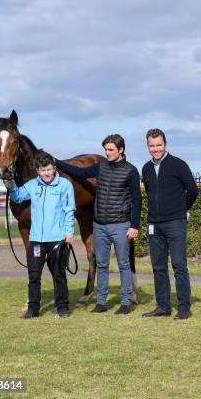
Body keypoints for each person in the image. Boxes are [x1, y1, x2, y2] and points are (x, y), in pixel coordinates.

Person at [56, 134, 142, 315]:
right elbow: (78, 172)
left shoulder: (131, 171)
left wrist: (134, 225)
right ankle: (101, 302)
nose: (107, 153)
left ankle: (126, 302)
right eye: (106, 150)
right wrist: (56, 162)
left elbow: (137, 199)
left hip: (121, 225)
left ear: (121, 150)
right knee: (102, 264)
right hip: (100, 225)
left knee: (123, 264)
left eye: (110, 150)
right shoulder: (100, 167)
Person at [7, 151, 75, 319]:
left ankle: (62, 307)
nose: (46, 173)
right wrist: (10, 184)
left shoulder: (64, 185)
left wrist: (69, 232)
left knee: (59, 275)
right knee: (34, 276)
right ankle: (33, 309)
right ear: (37, 170)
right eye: (43, 170)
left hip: (57, 239)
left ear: (54, 168)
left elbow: (69, 210)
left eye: (49, 169)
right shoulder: (32, 185)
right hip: (36, 239)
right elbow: (18, 196)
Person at [140, 129, 199, 320]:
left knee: (179, 265)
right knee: (158, 267)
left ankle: (184, 307)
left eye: (159, 145)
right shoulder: (146, 169)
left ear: (165, 144)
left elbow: (193, 190)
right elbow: (149, 193)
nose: (155, 149)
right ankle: (163, 306)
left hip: (175, 222)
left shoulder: (178, 165)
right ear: (147, 146)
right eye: (152, 145)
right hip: (154, 225)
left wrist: (180, 210)